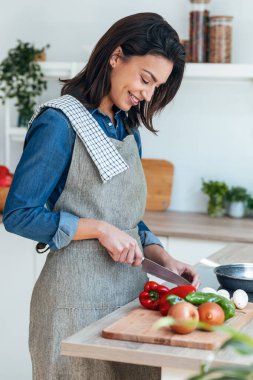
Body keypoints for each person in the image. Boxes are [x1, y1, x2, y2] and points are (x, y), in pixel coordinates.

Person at [3, 12, 200, 380]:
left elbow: (125, 216)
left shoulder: (127, 129)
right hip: (72, 309)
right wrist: (96, 228)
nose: (147, 93)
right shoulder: (58, 122)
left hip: (131, 303)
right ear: (115, 55)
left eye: (156, 86)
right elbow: (19, 213)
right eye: (145, 78)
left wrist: (162, 256)